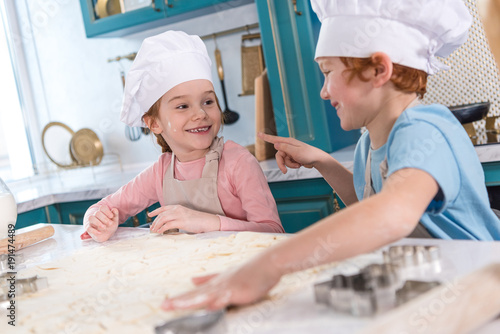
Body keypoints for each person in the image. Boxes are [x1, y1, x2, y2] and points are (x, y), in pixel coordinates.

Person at [160, 0, 500, 311]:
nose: (323, 92)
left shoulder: (424, 128)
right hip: (439, 290)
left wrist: (270, 264)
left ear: (378, 69)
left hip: (482, 291)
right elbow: (368, 205)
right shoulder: (370, 140)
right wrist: (323, 161)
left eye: (327, 72)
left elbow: (391, 215)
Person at [81, 30, 284, 242]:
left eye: (208, 101)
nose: (200, 114)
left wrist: (209, 223)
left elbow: (274, 232)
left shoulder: (238, 163)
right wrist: (97, 221)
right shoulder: (160, 172)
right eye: (182, 106)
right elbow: (101, 208)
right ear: (154, 123)